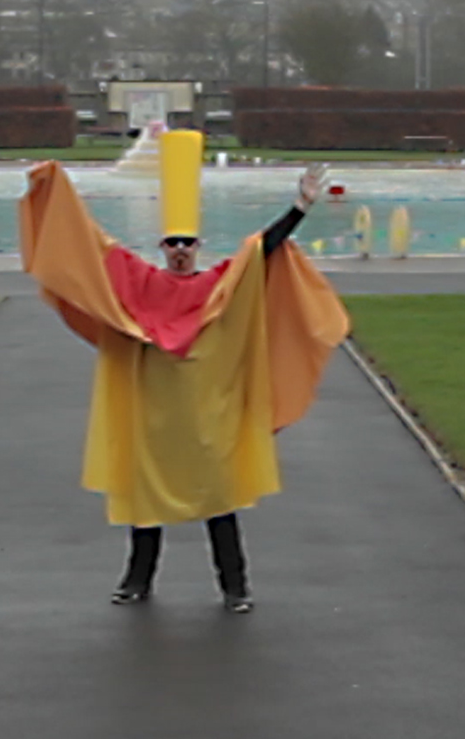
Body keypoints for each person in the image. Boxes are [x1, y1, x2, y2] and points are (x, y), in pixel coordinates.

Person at [20, 134, 349, 613]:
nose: (179, 250)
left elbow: (259, 253)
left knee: (218, 502)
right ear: (162, 247)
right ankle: (138, 581)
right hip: (153, 417)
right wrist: (53, 191)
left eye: (187, 243)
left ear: (198, 247)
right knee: (145, 502)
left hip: (204, 419)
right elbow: (89, 249)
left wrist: (298, 209)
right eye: (172, 243)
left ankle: (235, 587)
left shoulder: (217, 288)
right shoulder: (140, 284)